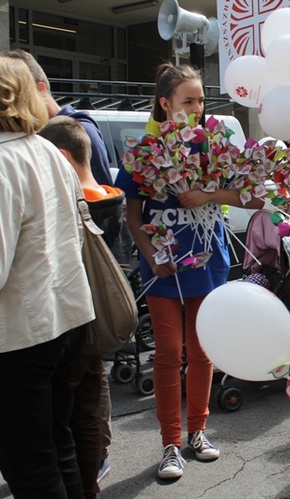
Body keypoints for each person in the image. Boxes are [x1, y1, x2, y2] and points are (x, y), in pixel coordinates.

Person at [115, 62, 266, 480]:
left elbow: (254, 197)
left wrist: (207, 195)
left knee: (201, 353)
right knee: (167, 354)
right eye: (188, 100)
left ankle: (198, 432)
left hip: (207, 264)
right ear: (165, 104)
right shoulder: (143, 151)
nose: (198, 108)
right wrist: (150, 255)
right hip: (162, 271)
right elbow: (131, 215)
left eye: (201, 99)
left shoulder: (213, 146)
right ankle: (169, 443)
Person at [0, 55, 95, 498]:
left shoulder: (4, 161)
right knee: (59, 445)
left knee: (29, 461)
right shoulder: (46, 150)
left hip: (21, 332)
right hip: (66, 317)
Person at [39, 116, 125, 499]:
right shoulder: (108, 194)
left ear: (59, 158)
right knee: (89, 410)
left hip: (73, 322)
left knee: (68, 418)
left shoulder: (74, 203)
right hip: (100, 321)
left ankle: (83, 485)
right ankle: (90, 483)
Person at [5, 49, 112, 186]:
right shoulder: (30, 135)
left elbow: (101, 194)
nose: (13, 106)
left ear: (41, 89)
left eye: (18, 96)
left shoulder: (79, 129)